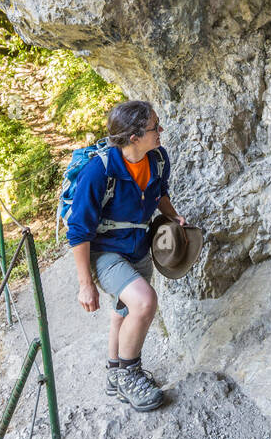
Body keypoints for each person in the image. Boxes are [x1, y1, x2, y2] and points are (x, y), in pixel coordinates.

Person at [68, 101, 186, 412]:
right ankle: (130, 374)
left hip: (139, 247)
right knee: (144, 301)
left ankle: (114, 373)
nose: (160, 132)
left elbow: (159, 193)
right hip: (106, 252)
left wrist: (173, 217)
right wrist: (85, 284)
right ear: (134, 137)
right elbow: (79, 231)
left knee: (124, 310)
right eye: (154, 128)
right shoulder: (98, 172)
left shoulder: (157, 159)